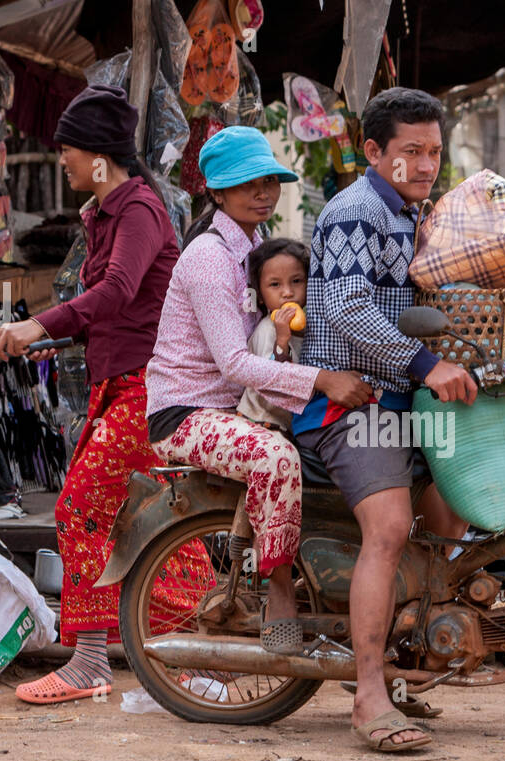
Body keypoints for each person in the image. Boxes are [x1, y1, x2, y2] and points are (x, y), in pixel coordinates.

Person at [295, 87, 505, 751]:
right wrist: (425, 364)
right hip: (354, 403)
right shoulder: (353, 214)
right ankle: (368, 695)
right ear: (374, 151)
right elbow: (344, 308)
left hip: (414, 400)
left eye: (434, 152)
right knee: (391, 528)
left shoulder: (423, 215)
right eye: (410, 152)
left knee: (449, 528)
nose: (425, 165)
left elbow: (480, 276)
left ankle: (406, 665)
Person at [0, 84, 206, 704]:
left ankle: (94, 660)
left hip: (144, 388)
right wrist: (40, 335)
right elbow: (106, 307)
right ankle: (198, 643)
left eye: (69, 150)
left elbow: (118, 292)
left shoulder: (136, 209)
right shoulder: (107, 212)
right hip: (119, 387)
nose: (63, 161)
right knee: (153, 518)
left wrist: (37, 325)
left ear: (100, 156)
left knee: (82, 509)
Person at [146, 126, 371, 654]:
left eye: (270, 180)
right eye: (248, 182)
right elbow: (234, 361)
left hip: (239, 408)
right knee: (275, 458)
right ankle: (278, 594)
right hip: (187, 412)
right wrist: (321, 379)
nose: (263, 191)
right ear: (218, 193)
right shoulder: (207, 258)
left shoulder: (256, 245)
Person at [235, 238, 311, 429]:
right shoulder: (267, 330)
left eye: (296, 281)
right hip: (260, 421)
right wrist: (282, 341)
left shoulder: (309, 327)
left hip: (287, 424)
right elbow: (270, 383)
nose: (287, 292)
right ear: (260, 294)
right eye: (275, 285)